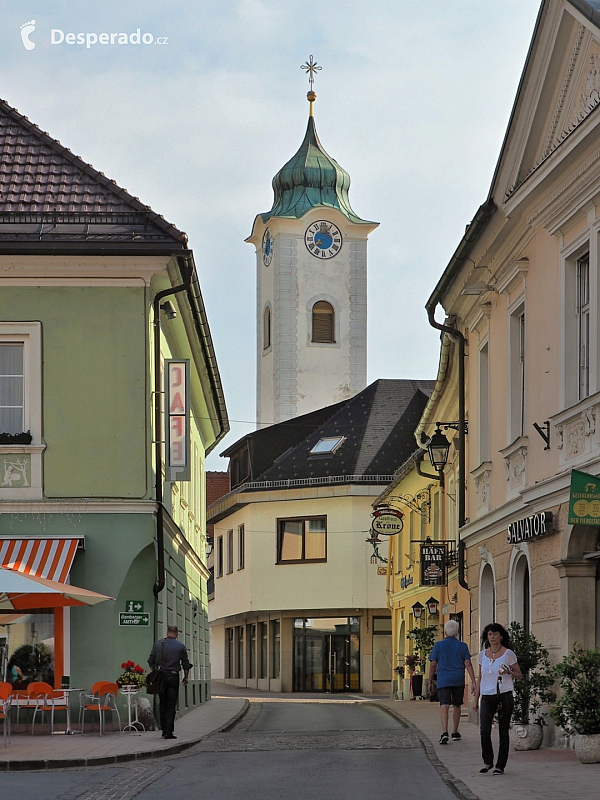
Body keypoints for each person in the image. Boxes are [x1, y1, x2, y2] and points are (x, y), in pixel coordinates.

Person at [474, 622, 523, 775]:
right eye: (489, 634)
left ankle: (500, 765)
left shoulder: (508, 654)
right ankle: (487, 761)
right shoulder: (482, 655)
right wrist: (475, 699)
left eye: (495, 634)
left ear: (501, 636)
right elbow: (480, 678)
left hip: (504, 695)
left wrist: (509, 672)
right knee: (484, 730)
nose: (492, 637)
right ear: (486, 637)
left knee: (503, 730)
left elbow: (519, 675)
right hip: (487, 696)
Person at [428, 619, 476, 745]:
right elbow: (468, 664)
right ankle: (455, 731)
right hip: (458, 679)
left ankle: (445, 732)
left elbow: (433, 665)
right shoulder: (462, 646)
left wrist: (429, 681)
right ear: (457, 631)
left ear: (445, 631)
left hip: (443, 679)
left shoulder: (438, 645)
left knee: (444, 705)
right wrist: (473, 681)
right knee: (457, 705)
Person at [148, 625, 192, 739]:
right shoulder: (180, 646)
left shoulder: (158, 644)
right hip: (173, 676)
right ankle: (168, 731)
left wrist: (155, 672)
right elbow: (185, 664)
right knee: (171, 704)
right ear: (176, 633)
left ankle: (163, 729)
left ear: (167, 632)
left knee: (163, 702)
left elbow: (151, 661)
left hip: (161, 676)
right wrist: (186, 677)